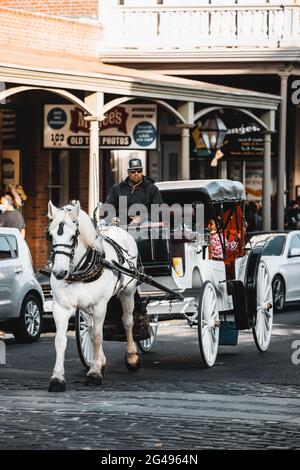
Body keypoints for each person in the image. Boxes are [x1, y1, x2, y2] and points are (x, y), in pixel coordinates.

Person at [105, 158, 163, 225]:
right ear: (128, 172)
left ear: (142, 171)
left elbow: (158, 212)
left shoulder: (152, 189)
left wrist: (142, 218)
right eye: (133, 171)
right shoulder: (117, 188)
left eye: (139, 171)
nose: (136, 174)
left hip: (144, 230)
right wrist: (113, 218)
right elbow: (108, 207)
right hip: (121, 229)